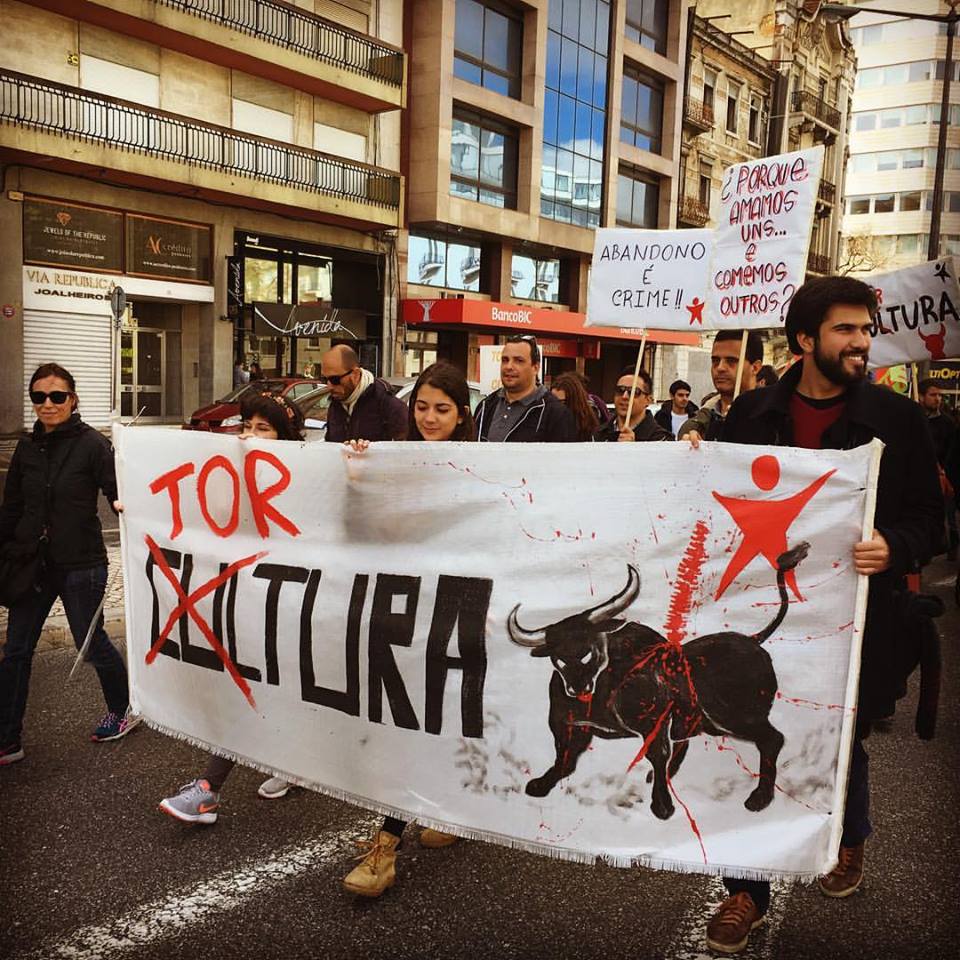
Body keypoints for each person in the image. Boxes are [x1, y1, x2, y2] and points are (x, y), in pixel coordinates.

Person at [696, 276, 942, 954]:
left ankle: (847, 835)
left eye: (866, 328)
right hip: (761, 610)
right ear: (805, 340)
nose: (862, 341)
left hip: (856, 617)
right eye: (846, 329)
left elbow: (932, 518)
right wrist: (689, 462)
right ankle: (744, 891)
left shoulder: (897, 420)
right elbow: (710, 498)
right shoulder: (749, 414)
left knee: (839, 738)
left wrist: (895, 545)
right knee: (743, 738)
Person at [341, 362, 472, 898]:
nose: (429, 418)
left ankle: (391, 842)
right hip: (404, 612)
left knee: (438, 720)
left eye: (442, 409)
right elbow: (369, 530)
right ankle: (415, 827)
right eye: (421, 406)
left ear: (462, 414)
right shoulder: (392, 457)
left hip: (457, 616)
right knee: (409, 724)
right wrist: (359, 480)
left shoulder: (479, 467)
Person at [158, 392, 306, 821]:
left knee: (257, 690)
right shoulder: (230, 474)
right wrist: (139, 511)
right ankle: (294, 764)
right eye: (247, 425)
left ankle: (209, 788)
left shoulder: (304, 479)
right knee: (261, 689)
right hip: (249, 605)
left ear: (284, 436)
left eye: (264, 428)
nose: (250, 435)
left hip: (291, 606)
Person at [0, 364, 137, 765]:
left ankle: (123, 709)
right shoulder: (26, 448)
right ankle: (8, 737)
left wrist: (124, 504)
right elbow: (12, 508)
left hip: (81, 564)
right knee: (16, 650)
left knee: (90, 643)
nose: (48, 404)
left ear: (72, 399)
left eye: (57, 396)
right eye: (39, 397)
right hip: (32, 565)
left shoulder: (93, 444)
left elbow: (117, 490)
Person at [473, 335, 577, 442]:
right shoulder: (485, 406)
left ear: (535, 368)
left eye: (519, 361)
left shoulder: (556, 414)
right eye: (505, 360)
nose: (509, 366)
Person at [678, 329, 764, 442]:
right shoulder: (696, 425)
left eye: (731, 361)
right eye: (715, 361)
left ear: (755, 367)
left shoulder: (774, 421)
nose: (720, 368)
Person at [321, 344, 407, 443]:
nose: (329, 386)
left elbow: (405, 448)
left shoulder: (388, 404)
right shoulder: (335, 404)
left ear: (355, 374)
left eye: (334, 379)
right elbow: (330, 443)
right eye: (324, 379)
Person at [918, 378, 957, 558]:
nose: (937, 399)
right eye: (933, 395)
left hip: (942, 475)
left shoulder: (947, 423)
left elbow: (951, 451)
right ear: (921, 396)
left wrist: (946, 472)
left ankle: (951, 546)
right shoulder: (914, 419)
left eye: (939, 395)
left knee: (948, 515)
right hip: (920, 476)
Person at [595, 366, 671, 442]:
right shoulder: (597, 435)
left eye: (634, 392)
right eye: (620, 390)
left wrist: (634, 447)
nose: (624, 396)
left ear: (648, 400)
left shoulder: (662, 440)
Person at [550, 372, 599, 441]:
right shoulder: (547, 419)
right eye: (552, 401)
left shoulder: (586, 425)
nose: (556, 406)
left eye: (561, 402)